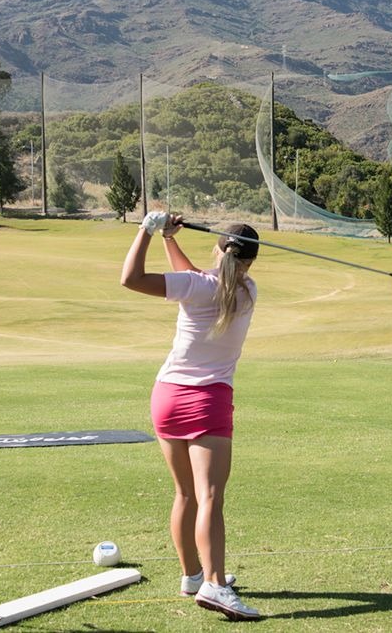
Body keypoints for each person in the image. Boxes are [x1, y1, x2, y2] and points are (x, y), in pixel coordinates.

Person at [120, 211, 261, 621]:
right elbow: (198, 279)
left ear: (217, 249)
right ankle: (215, 585)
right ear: (251, 261)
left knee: (185, 494)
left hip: (167, 396)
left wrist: (148, 232)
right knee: (210, 497)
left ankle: (194, 577)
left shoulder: (196, 287)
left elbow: (131, 278)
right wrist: (169, 239)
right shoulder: (248, 291)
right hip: (207, 400)